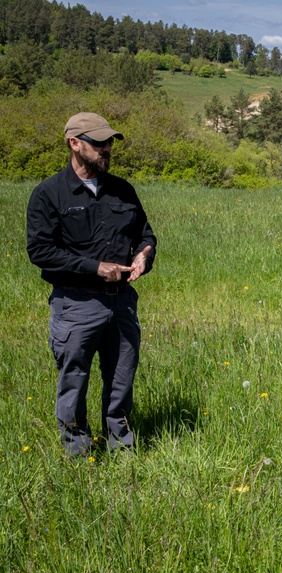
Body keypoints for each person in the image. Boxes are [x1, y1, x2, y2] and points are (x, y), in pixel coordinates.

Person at [26, 112, 157, 456]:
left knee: (121, 379)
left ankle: (122, 449)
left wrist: (145, 254)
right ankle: (78, 453)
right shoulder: (49, 194)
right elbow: (40, 251)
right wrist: (95, 268)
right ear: (74, 143)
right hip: (76, 304)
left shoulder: (122, 190)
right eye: (98, 142)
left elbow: (145, 233)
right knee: (74, 380)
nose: (107, 149)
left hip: (122, 303)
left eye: (110, 142)